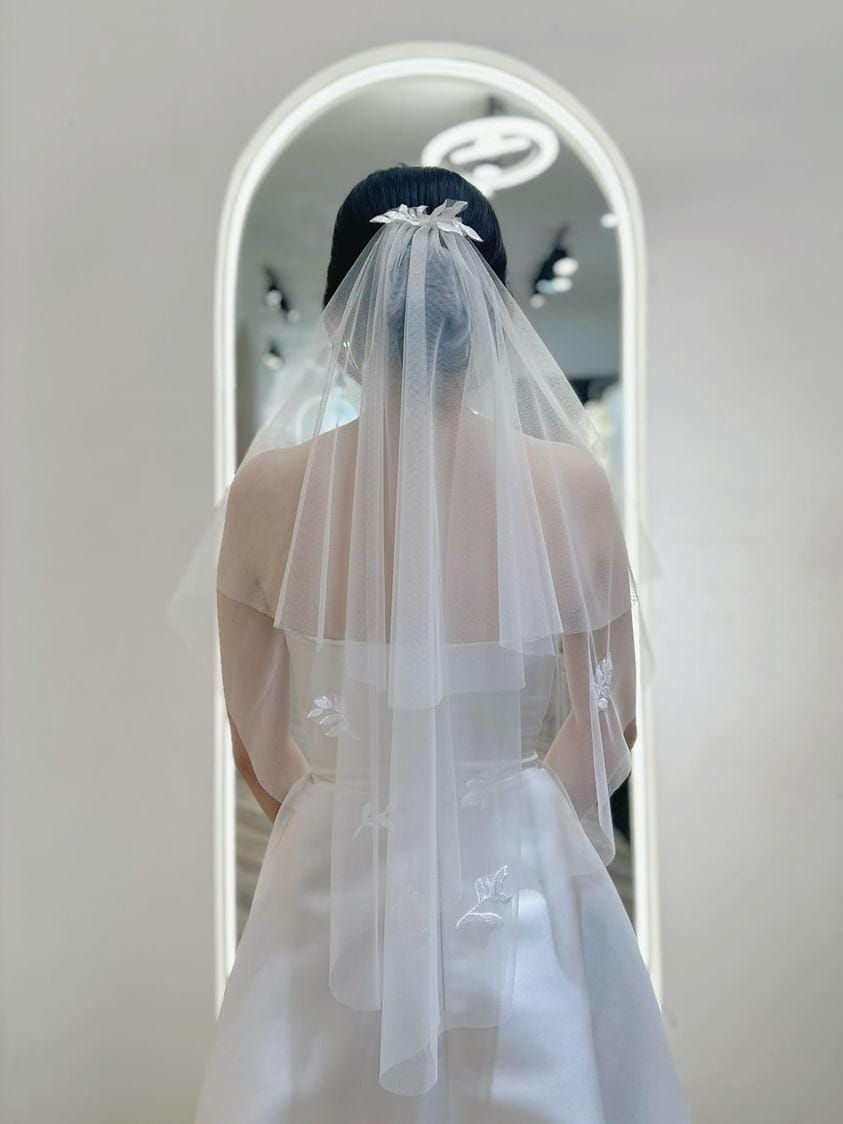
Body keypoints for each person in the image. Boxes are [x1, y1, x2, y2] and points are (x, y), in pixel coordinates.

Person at [192, 166, 690, 1123]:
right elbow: (610, 722)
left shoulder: (267, 494)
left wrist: (347, 820)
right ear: (493, 313)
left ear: (342, 321)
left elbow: (255, 745)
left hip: (332, 868)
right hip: (522, 857)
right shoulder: (572, 487)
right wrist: (514, 826)